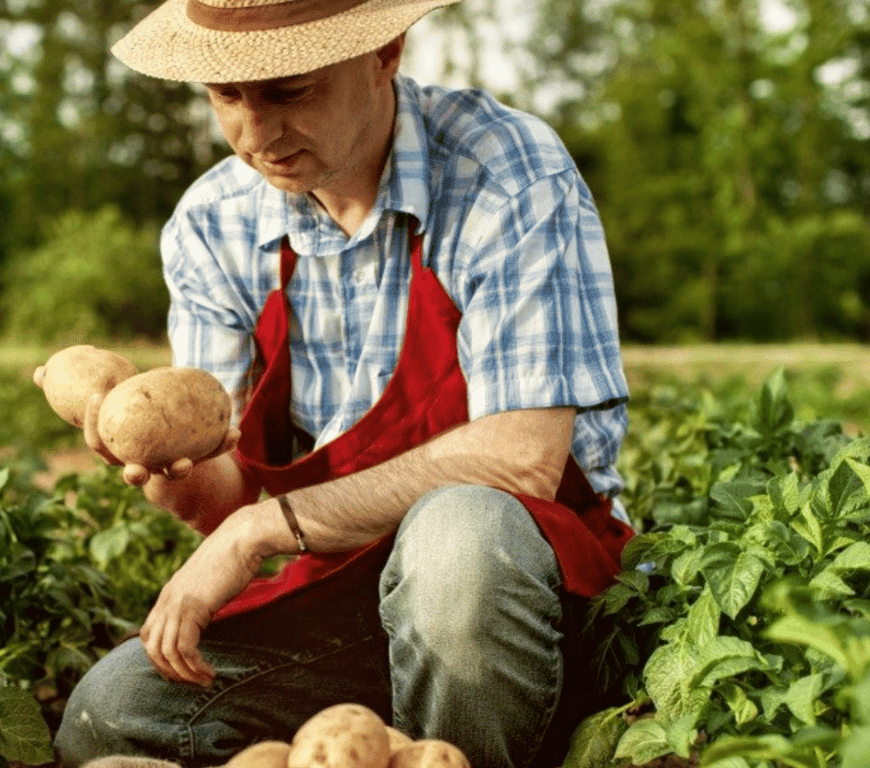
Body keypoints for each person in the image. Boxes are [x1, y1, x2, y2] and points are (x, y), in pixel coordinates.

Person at [49, 1, 636, 767]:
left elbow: (520, 459)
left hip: (522, 596)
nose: (256, 137)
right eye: (227, 96)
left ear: (384, 53)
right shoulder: (211, 224)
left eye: (289, 92)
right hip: (342, 593)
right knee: (111, 711)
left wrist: (263, 527)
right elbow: (223, 496)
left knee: (458, 541)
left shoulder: (505, 174)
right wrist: (167, 467)